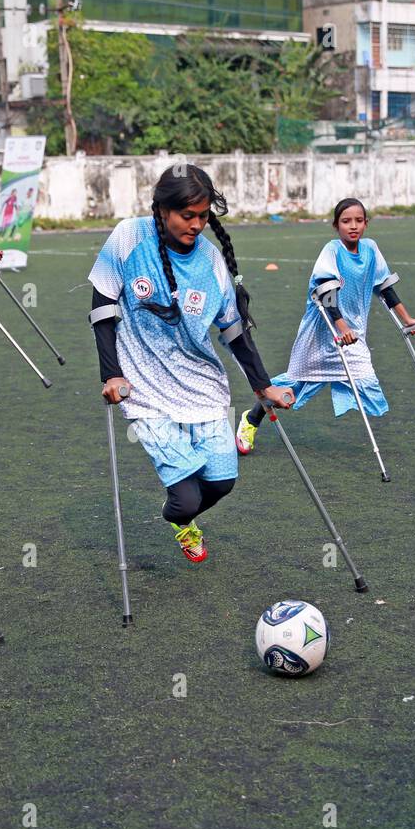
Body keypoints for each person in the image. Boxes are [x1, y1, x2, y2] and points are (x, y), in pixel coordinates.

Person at [89, 165, 293, 564]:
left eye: (203, 216)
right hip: (144, 388)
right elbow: (102, 308)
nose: (197, 224)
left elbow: (234, 332)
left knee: (222, 482)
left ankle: (184, 515)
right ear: (162, 210)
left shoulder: (212, 262)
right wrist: (111, 373)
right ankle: (179, 520)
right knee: (184, 499)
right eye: (188, 215)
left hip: (201, 385)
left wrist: (262, 386)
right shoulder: (129, 237)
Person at [236, 198, 415, 454]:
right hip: (322, 330)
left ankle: (257, 411)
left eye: (359, 220)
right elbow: (326, 290)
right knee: (294, 385)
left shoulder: (370, 249)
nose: (353, 226)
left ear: (366, 223)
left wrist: (408, 319)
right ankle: (251, 419)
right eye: (346, 221)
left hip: (352, 334)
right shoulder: (332, 250)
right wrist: (341, 325)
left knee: (366, 382)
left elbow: (384, 286)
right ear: (336, 225)